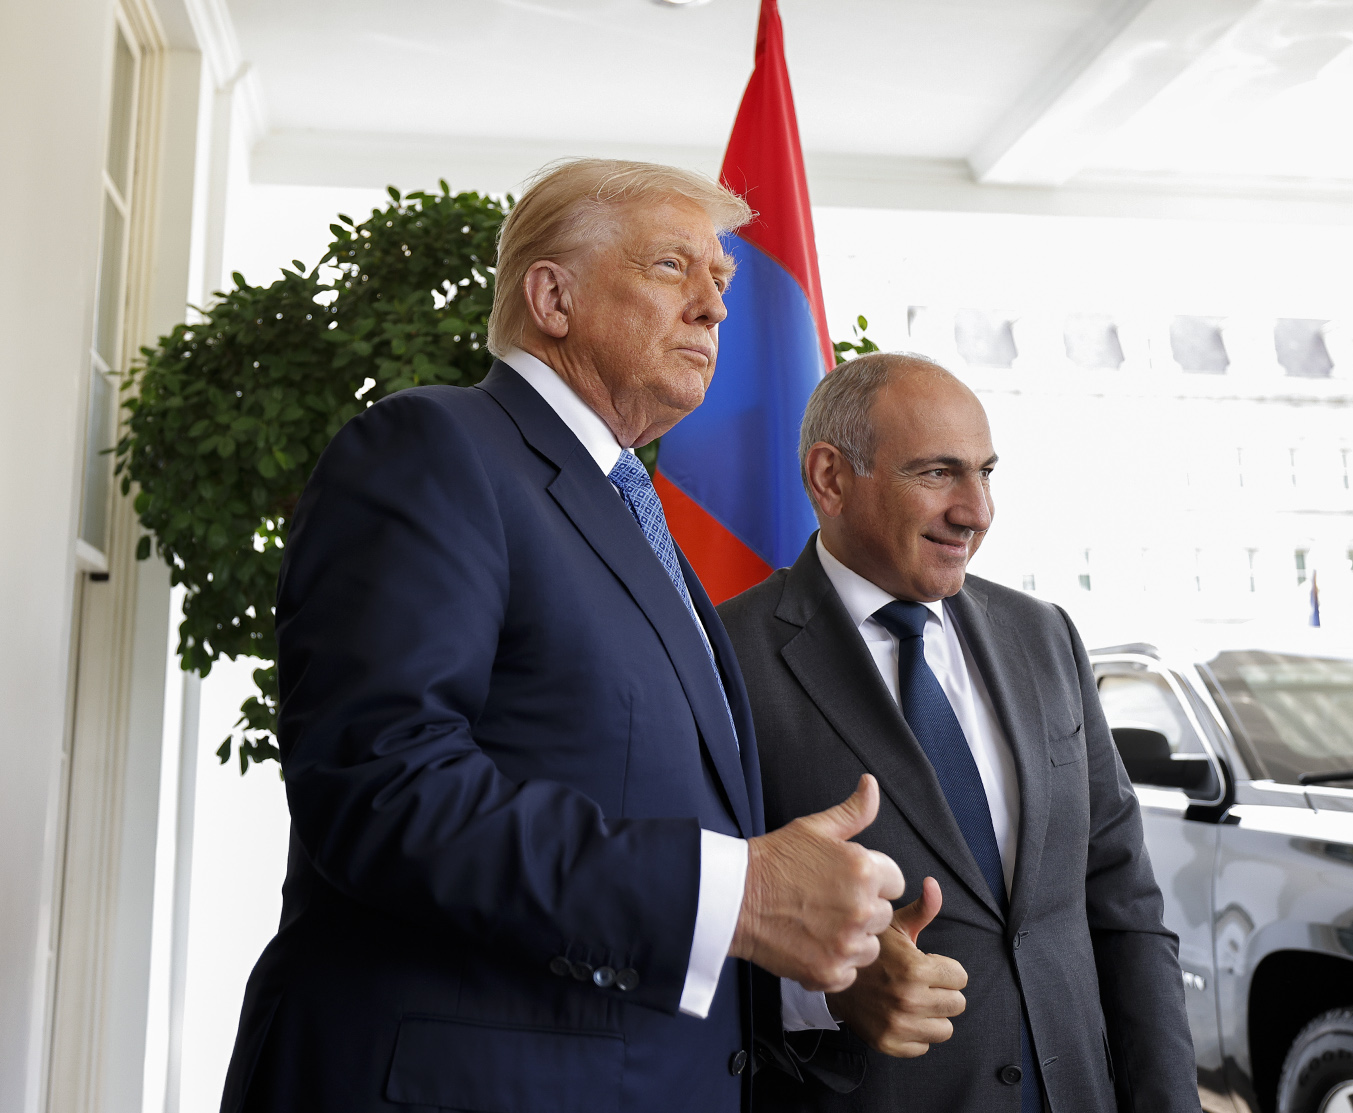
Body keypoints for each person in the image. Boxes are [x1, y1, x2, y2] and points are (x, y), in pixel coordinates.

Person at [218, 160, 904, 1113]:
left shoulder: (633, 517)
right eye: (672, 266)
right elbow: (383, 788)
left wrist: (816, 974)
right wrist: (737, 893)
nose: (714, 306)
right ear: (552, 298)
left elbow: (659, 841)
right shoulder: (432, 447)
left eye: (721, 279)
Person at [719, 353, 1200, 1112]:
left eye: (986, 473)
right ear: (830, 478)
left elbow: (1124, 906)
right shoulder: (722, 658)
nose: (976, 511)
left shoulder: (1044, 635)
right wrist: (826, 991)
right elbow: (689, 922)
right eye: (938, 473)